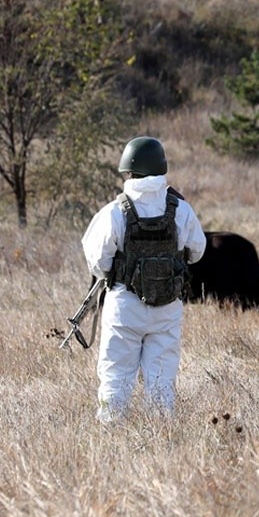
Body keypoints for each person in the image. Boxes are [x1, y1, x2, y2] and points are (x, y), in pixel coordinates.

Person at [81, 137, 206, 423]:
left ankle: (111, 434)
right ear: (161, 168)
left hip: (124, 305)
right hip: (167, 308)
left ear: (128, 171)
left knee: (116, 376)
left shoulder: (114, 211)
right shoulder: (181, 209)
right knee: (162, 380)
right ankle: (160, 435)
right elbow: (197, 252)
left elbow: (98, 261)